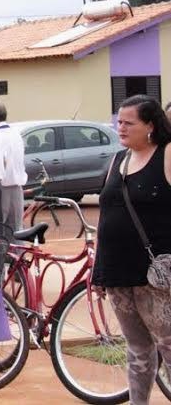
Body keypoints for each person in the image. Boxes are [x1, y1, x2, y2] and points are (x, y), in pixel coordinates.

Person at [92, 94, 171, 405]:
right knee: (137, 347)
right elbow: (106, 216)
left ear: (150, 125)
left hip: (156, 275)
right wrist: (100, 269)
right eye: (118, 121)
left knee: (167, 343)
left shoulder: (166, 155)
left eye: (129, 123)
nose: (120, 128)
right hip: (118, 271)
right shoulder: (117, 160)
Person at [0, 102, 27, 235]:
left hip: (1, 185)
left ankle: (2, 256)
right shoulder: (16, 134)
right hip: (17, 185)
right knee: (17, 227)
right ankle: (18, 255)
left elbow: (2, 161)